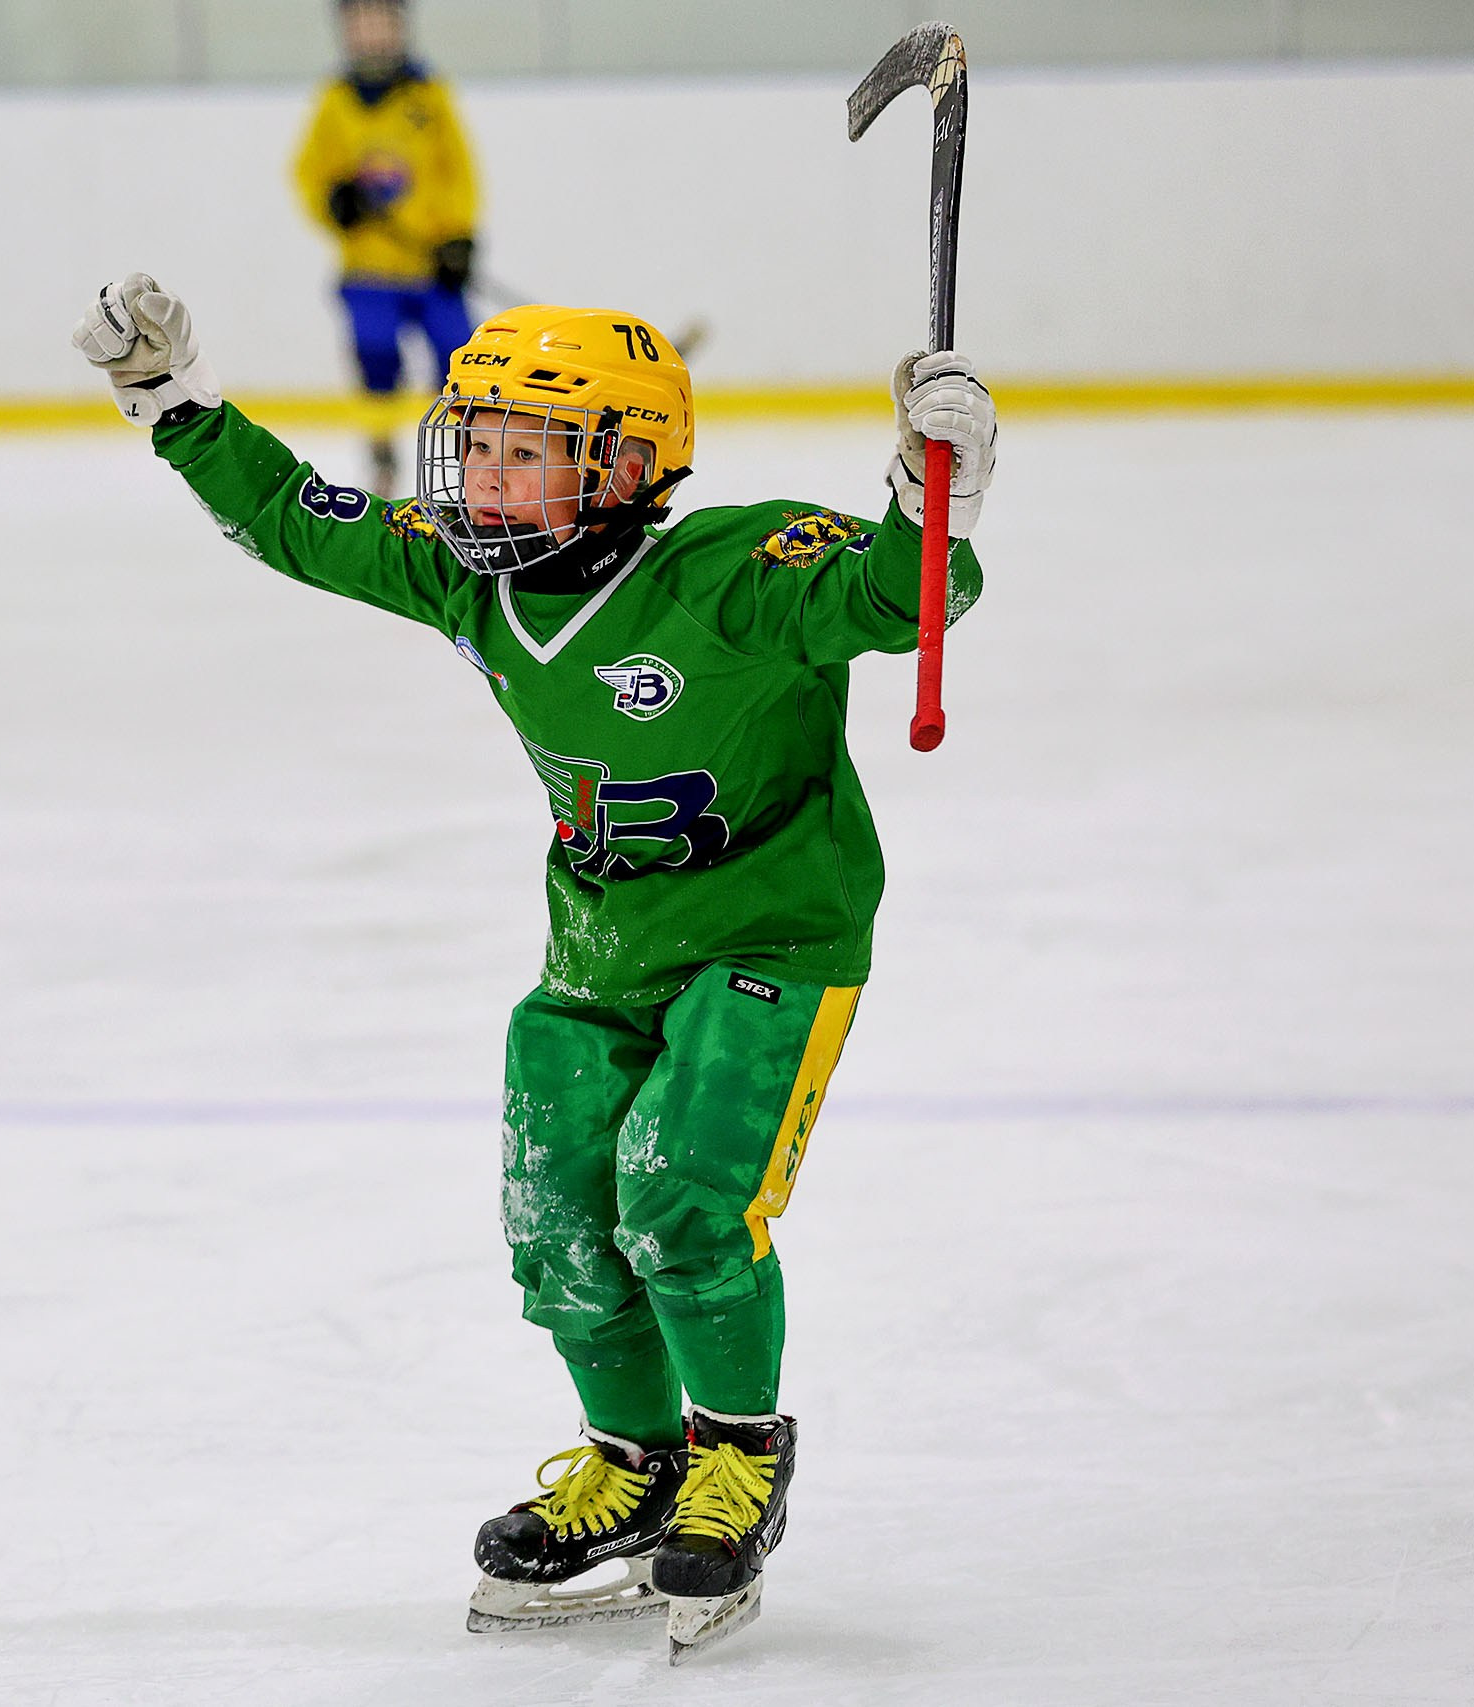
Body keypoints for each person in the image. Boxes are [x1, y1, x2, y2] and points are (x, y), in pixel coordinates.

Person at [72, 275, 997, 1658]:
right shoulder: (473, 580)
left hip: (773, 936)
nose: (483, 479)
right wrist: (172, 401)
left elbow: (897, 594)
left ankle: (737, 1455)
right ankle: (631, 1461)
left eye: (525, 452)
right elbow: (298, 522)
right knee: (555, 1209)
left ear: (624, 466)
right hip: (597, 950)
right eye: (476, 443)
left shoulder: (733, 571)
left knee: (680, 1195)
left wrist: (935, 497)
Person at [291, 0, 480, 494]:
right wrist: (334, 202)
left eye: (383, 21)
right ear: (347, 31)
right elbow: (310, 172)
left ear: (400, 27)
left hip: (430, 265)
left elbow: (458, 170)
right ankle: (381, 454)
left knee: (461, 359)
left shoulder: (428, 94)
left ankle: (471, 453)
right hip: (368, 270)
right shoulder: (335, 100)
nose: (373, 33)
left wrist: (458, 237)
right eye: (362, 23)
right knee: (375, 358)